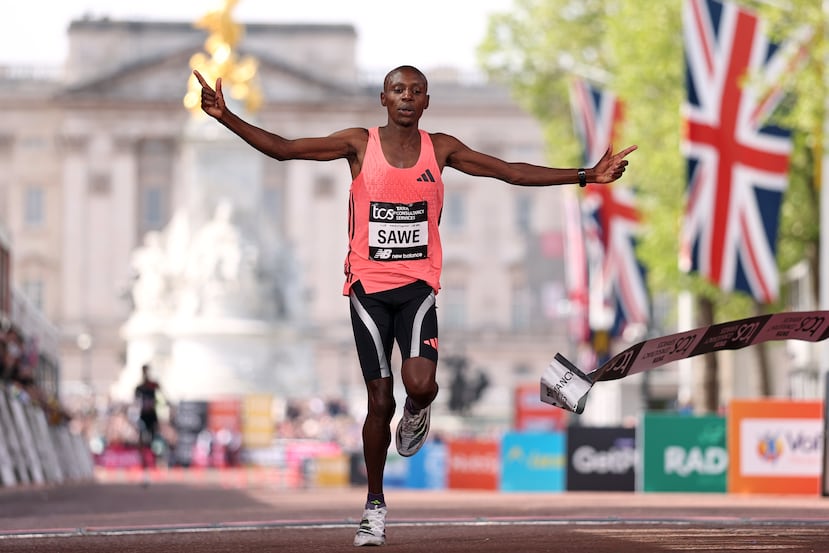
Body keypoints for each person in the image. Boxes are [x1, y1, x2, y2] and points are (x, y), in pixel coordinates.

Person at [193, 65, 636, 546]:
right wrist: (226, 117)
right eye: (398, 90)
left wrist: (586, 175)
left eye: (416, 91)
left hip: (418, 288)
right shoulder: (358, 144)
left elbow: (509, 171)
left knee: (420, 384)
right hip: (367, 289)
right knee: (378, 401)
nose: (407, 97)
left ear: (426, 102)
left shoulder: (440, 149)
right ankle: (374, 506)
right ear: (383, 98)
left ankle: (417, 410)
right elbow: (285, 149)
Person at [134, 364, 163, 476]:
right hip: (143, 416)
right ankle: (143, 461)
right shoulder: (139, 387)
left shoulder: (153, 385)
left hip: (152, 416)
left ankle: (154, 460)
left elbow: (162, 393)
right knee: (141, 438)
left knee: (154, 438)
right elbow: (136, 401)